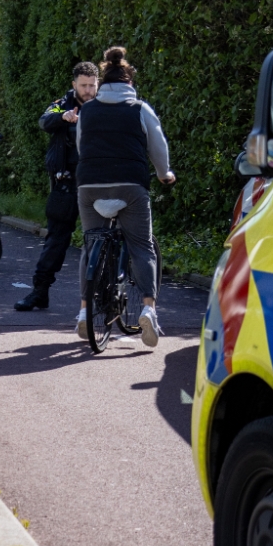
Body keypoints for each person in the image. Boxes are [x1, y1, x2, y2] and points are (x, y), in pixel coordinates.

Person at [76, 46, 175, 347]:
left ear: (102, 84)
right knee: (142, 246)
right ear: (129, 83)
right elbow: (158, 146)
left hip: (89, 186)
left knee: (91, 242)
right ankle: (148, 308)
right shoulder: (139, 109)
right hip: (130, 186)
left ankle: (83, 313)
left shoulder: (87, 110)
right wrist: (164, 173)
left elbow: (82, 146)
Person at [15, 62, 99, 311]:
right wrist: (63, 117)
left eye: (92, 85)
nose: (88, 90)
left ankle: (104, 296)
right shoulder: (62, 102)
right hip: (67, 183)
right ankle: (39, 291)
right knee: (56, 240)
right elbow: (44, 120)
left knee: (101, 238)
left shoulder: (105, 106)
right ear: (74, 85)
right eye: (83, 85)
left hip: (96, 181)